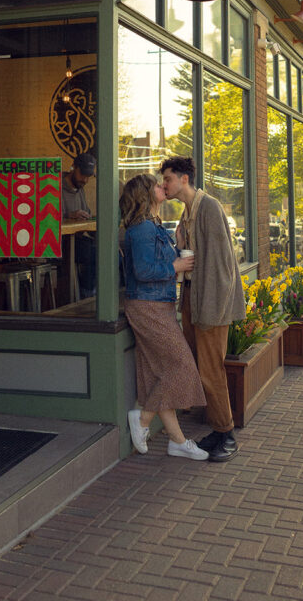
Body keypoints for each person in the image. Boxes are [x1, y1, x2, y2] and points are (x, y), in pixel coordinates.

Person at [160, 156, 246, 462]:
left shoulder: (208, 207)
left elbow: (223, 264)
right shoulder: (188, 213)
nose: (164, 185)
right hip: (194, 301)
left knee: (211, 371)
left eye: (168, 179)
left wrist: (211, 311)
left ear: (184, 179)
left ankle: (227, 434)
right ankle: (218, 430)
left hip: (210, 304)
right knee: (202, 370)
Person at [120, 173, 209, 461]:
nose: (163, 187)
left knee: (157, 375)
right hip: (148, 307)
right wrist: (177, 265)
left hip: (157, 305)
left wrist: (178, 243)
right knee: (181, 366)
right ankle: (143, 419)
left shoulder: (152, 225)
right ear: (146, 195)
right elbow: (144, 272)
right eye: (158, 185)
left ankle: (177, 441)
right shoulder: (143, 229)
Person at [61, 153, 97, 298]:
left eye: (88, 176)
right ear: (73, 168)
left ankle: (93, 292)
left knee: (111, 252)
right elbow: (46, 217)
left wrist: (86, 216)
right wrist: (69, 215)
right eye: (82, 174)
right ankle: (86, 296)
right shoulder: (54, 186)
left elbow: (86, 211)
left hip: (77, 239)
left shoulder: (80, 188)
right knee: (95, 254)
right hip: (58, 244)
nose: (85, 180)